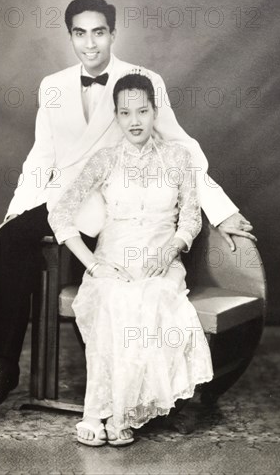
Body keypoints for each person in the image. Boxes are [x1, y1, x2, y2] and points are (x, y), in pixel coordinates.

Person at [0, 0, 255, 414]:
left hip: (108, 204)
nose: (91, 44)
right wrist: (16, 209)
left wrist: (223, 209)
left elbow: (183, 149)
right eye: (80, 34)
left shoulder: (142, 79)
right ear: (70, 36)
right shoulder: (53, 86)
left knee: (11, 247)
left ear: (113, 34)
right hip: (60, 198)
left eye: (99, 32)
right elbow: (41, 157)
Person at [49, 72, 214, 446]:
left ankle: (121, 415)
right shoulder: (104, 160)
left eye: (142, 111)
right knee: (112, 298)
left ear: (155, 112)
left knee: (151, 298)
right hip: (113, 260)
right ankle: (96, 413)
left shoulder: (178, 157)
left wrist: (170, 251)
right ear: (117, 116)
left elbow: (190, 217)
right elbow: (60, 214)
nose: (135, 121)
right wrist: (92, 263)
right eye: (125, 113)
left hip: (161, 260)